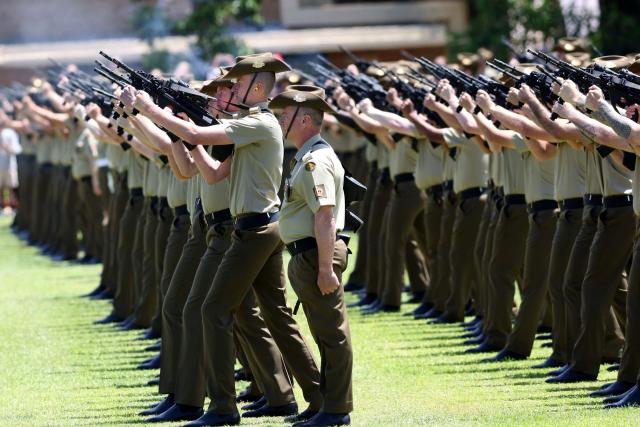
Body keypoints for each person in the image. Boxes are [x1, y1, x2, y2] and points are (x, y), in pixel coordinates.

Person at [270, 85, 353, 426]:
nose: (280, 121)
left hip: (316, 253)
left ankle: (336, 410)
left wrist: (324, 268)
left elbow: (325, 216)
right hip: (307, 254)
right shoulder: (306, 156)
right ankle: (326, 405)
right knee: (323, 332)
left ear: (305, 119)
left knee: (332, 333)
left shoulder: (314, 161)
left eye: (285, 116)